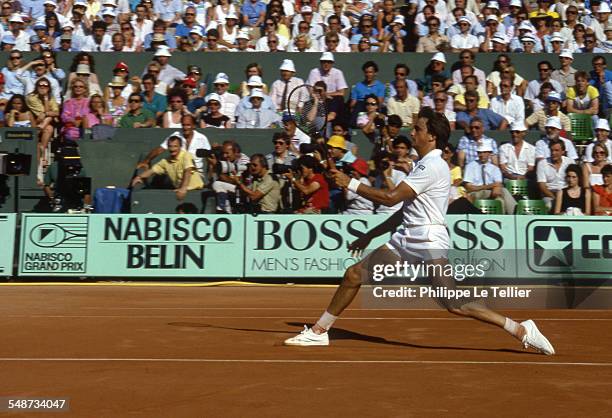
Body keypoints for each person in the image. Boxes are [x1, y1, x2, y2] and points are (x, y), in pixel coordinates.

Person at [283, 107, 555, 356]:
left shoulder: (430, 166)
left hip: (427, 239)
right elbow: (404, 211)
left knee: (453, 303)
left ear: (432, 136)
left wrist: (351, 184)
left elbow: (390, 198)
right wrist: (370, 235)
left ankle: (520, 329)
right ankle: (319, 331)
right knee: (354, 274)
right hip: (408, 237)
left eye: (419, 129)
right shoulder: (423, 165)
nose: (413, 132)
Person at [131, 135, 203, 201]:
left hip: (196, 192)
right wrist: (139, 176)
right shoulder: (165, 161)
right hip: (180, 193)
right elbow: (152, 170)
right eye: (170, 146)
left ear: (180, 147)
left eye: (175, 146)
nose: (172, 149)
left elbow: (188, 171)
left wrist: (183, 188)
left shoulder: (186, 155)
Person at [464, 142, 517, 214]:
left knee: (500, 200)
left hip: (490, 192)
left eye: (484, 152)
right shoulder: (470, 166)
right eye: (480, 153)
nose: (482, 155)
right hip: (475, 194)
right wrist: (490, 186)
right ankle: (515, 213)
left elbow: (498, 185)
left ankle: (506, 219)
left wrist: (496, 188)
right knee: (504, 191)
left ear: (489, 153)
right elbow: (469, 188)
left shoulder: (495, 169)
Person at [537, 140, 573, 209]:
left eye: (556, 150)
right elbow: (542, 186)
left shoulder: (570, 162)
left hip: (566, 193)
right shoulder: (542, 163)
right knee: (548, 205)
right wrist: (556, 198)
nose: (553, 153)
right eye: (551, 150)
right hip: (550, 194)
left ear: (563, 151)